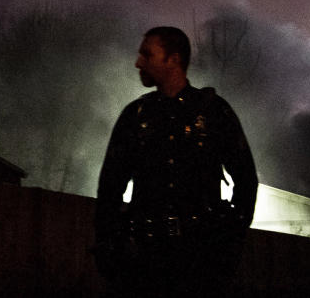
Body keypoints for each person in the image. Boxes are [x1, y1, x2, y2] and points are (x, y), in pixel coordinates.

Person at [94, 26, 257, 298]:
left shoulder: (214, 113)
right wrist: (109, 246)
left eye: (148, 54)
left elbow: (246, 180)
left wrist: (230, 243)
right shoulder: (136, 116)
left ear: (174, 59)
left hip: (201, 262)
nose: (138, 62)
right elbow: (109, 188)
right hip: (145, 261)